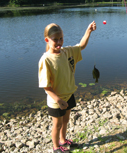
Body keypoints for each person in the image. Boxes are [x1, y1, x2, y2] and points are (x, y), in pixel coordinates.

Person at [38, 21, 96, 153]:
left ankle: (63, 140)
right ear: (47, 40)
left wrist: (88, 31)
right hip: (56, 100)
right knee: (57, 124)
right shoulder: (45, 60)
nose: (59, 42)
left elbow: (81, 46)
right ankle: (56, 147)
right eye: (55, 39)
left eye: (61, 38)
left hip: (69, 94)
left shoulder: (67, 52)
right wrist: (58, 100)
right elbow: (46, 87)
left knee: (66, 120)